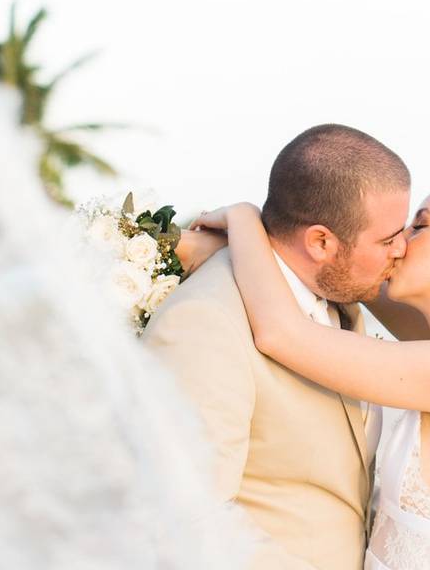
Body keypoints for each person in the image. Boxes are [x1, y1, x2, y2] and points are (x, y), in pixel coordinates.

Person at [189, 179, 430, 569]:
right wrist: (229, 250)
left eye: (420, 227)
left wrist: (243, 218)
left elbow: (282, 333)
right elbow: (346, 276)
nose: (400, 243)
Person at [143, 124, 411, 569]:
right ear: (321, 241)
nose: (402, 250)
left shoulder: (345, 300)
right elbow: (190, 522)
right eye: (388, 239)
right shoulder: (206, 322)